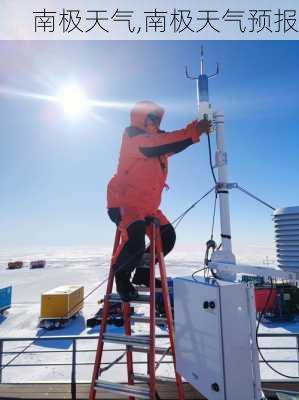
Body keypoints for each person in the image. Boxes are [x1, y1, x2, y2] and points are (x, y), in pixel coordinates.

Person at [107, 100, 211, 301]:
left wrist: (195, 130)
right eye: (151, 117)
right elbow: (155, 145)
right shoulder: (133, 136)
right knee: (135, 239)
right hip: (124, 203)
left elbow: (174, 142)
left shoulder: (157, 142)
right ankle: (121, 275)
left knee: (167, 237)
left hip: (148, 208)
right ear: (141, 117)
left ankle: (144, 273)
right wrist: (194, 132)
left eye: (157, 118)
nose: (155, 121)